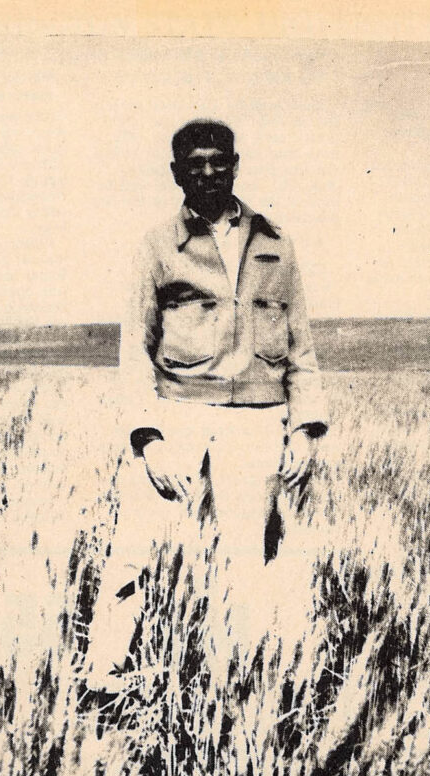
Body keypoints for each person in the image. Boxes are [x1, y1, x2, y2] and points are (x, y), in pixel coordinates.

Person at [87, 119, 329, 690]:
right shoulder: (156, 246)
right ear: (176, 173)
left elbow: (302, 344)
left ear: (236, 164)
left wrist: (305, 427)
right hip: (178, 414)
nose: (208, 173)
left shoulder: (276, 243)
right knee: (135, 548)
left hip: (258, 419)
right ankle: (103, 679)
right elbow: (134, 350)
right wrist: (148, 437)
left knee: (248, 560)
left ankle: (239, 684)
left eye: (219, 161)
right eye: (194, 163)